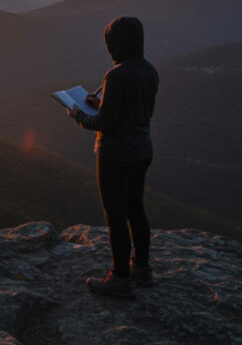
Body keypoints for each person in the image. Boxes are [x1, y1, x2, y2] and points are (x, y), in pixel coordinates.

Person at [66, 16, 159, 298]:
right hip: (142, 150)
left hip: (115, 155)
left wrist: (78, 114)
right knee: (136, 210)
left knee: (115, 217)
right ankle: (141, 270)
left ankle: (119, 278)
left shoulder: (115, 75)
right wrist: (102, 103)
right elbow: (134, 110)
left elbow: (104, 124)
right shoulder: (150, 71)